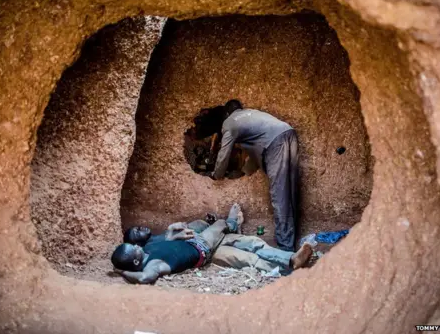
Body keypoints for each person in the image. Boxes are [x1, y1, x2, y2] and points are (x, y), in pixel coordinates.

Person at [205, 99, 301, 252]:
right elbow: (256, 151)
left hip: (276, 142)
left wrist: (216, 174)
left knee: (280, 194)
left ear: (227, 113)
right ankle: (292, 241)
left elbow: (224, 153)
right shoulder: (252, 116)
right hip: (289, 133)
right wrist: (245, 171)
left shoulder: (229, 122)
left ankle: (286, 249)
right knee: (291, 190)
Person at [123, 204, 314, 276]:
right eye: (136, 232)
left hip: (212, 239)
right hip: (206, 251)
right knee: (248, 259)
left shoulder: (162, 236)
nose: (140, 228)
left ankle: (291, 259)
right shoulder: (151, 247)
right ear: (136, 244)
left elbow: (193, 228)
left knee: (254, 243)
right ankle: (289, 271)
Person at [110, 206, 242, 284]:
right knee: (220, 224)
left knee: (202, 224)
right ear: (135, 260)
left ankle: (221, 226)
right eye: (134, 249)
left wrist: (176, 234)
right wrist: (122, 272)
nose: (137, 247)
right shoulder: (152, 265)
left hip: (189, 241)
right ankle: (232, 223)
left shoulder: (146, 249)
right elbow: (145, 277)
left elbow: (167, 241)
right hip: (200, 248)